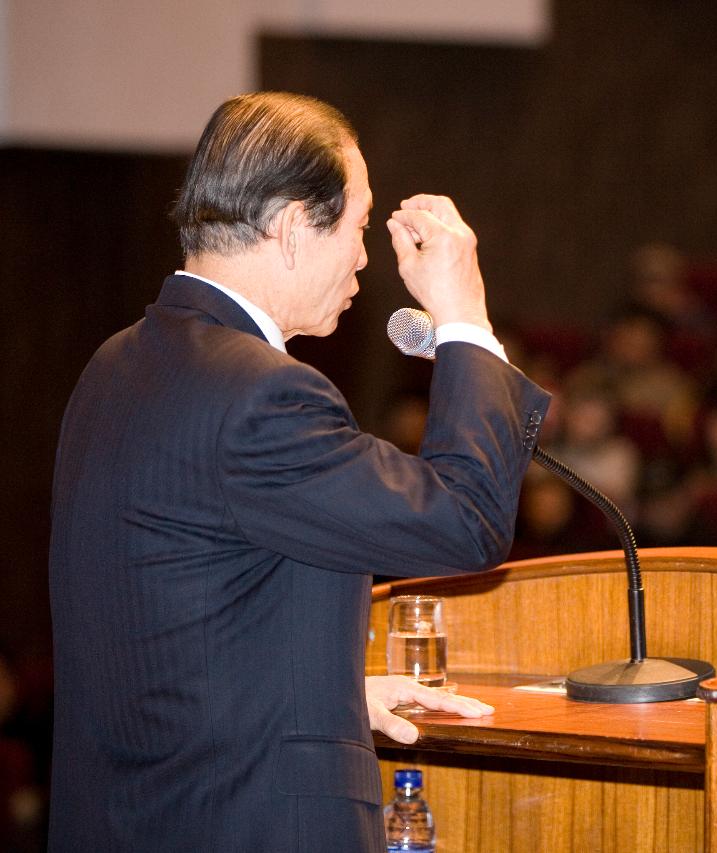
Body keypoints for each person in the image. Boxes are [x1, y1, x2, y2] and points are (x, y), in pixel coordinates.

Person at [46, 92, 551, 852]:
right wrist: (465, 318)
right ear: (289, 228)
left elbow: (169, 624)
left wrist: (329, 695)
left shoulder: (116, 364)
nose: (363, 257)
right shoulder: (260, 393)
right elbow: (465, 520)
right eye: (355, 226)